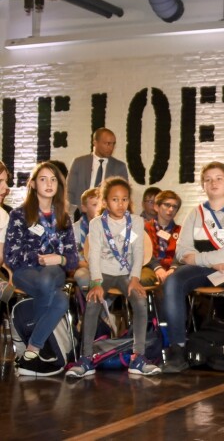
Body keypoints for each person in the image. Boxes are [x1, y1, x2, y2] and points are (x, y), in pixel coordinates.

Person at [162, 162, 224, 375]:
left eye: (218, 178)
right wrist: (211, 262)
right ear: (203, 185)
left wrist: (199, 257)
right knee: (173, 282)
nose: (213, 183)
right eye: (208, 179)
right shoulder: (195, 213)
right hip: (206, 268)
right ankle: (177, 350)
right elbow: (181, 252)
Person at [66, 176, 160, 378]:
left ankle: (138, 357)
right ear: (106, 201)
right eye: (115, 199)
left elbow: (137, 251)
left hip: (126, 273)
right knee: (93, 301)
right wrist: (96, 282)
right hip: (104, 272)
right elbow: (94, 255)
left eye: (124, 199)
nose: (120, 204)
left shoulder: (135, 221)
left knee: (140, 301)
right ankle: (87, 359)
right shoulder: (97, 224)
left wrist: (135, 278)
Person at [3, 162, 78, 377]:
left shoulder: (63, 216)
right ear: (34, 184)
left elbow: (73, 259)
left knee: (47, 280)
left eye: (53, 179)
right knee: (61, 301)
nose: (49, 183)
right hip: (24, 272)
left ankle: (31, 343)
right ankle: (36, 346)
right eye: (43, 179)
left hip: (54, 271)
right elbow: (10, 255)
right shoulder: (19, 214)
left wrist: (58, 258)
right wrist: (40, 258)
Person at [67, 128, 129, 216]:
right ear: (95, 142)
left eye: (113, 144)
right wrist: (72, 212)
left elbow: (124, 194)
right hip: (81, 213)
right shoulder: (79, 162)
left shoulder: (119, 167)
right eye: (107, 144)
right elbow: (70, 191)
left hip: (107, 214)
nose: (111, 147)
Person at [144, 190, 182, 284]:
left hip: (173, 268)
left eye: (175, 207)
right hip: (151, 266)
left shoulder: (181, 231)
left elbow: (183, 252)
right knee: (144, 279)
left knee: (177, 278)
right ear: (156, 207)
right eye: (167, 205)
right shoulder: (145, 228)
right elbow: (142, 251)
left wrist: (174, 267)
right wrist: (157, 267)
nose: (171, 209)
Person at [72, 187, 101, 290]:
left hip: (107, 268)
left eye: (101, 204)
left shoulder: (111, 226)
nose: (99, 208)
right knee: (83, 277)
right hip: (84, 267)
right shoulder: (76, 229)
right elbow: (74, 257)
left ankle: (103, 305)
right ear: (84, 208)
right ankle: (93, 304)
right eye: (94, 205)